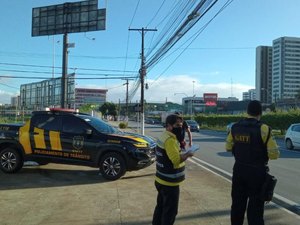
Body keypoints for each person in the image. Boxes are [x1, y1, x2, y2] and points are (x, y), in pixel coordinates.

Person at [225, 100, 280, 225]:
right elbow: (274, 154)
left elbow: (228, 147)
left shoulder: (235, 127)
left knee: (237, 206)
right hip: (257, 173)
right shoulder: (264, 129)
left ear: (247, 112)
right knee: (255, 209)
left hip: (239, 170)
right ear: (260, 113)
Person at [152, 114, 194, 225]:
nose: (180, 128)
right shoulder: (170, 140)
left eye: (181, 125)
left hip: (160, 179)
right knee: (170, 213)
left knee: (160, 207)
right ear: (169, 126)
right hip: (169, 183)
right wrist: (188, 154)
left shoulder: (163, 136)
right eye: (177, 125)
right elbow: (175, 160)